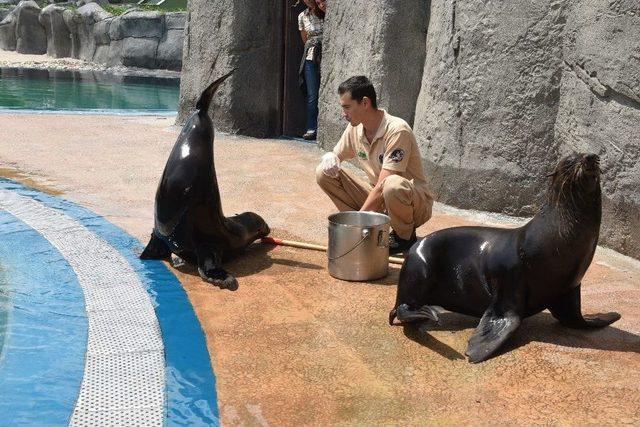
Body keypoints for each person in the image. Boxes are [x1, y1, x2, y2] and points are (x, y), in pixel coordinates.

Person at [316, 76, 434, 255]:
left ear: (364, 103)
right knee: (323, 173)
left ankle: (404, 237)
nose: (343, 113)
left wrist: (356, 221)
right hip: (379, 199)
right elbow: (337, 155)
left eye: (347, 107)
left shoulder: (397, 129)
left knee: (392, 184)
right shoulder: (355, 127)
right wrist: (331, 156)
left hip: (410, 203)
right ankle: (369, 231)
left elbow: (383, 186)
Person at [298, 0, 324, 140]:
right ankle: (311, 128)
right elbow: (305, 39)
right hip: (310, 55)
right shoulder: (302, 16)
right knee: (312, 94)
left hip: (327, 53)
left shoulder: (324, 11)